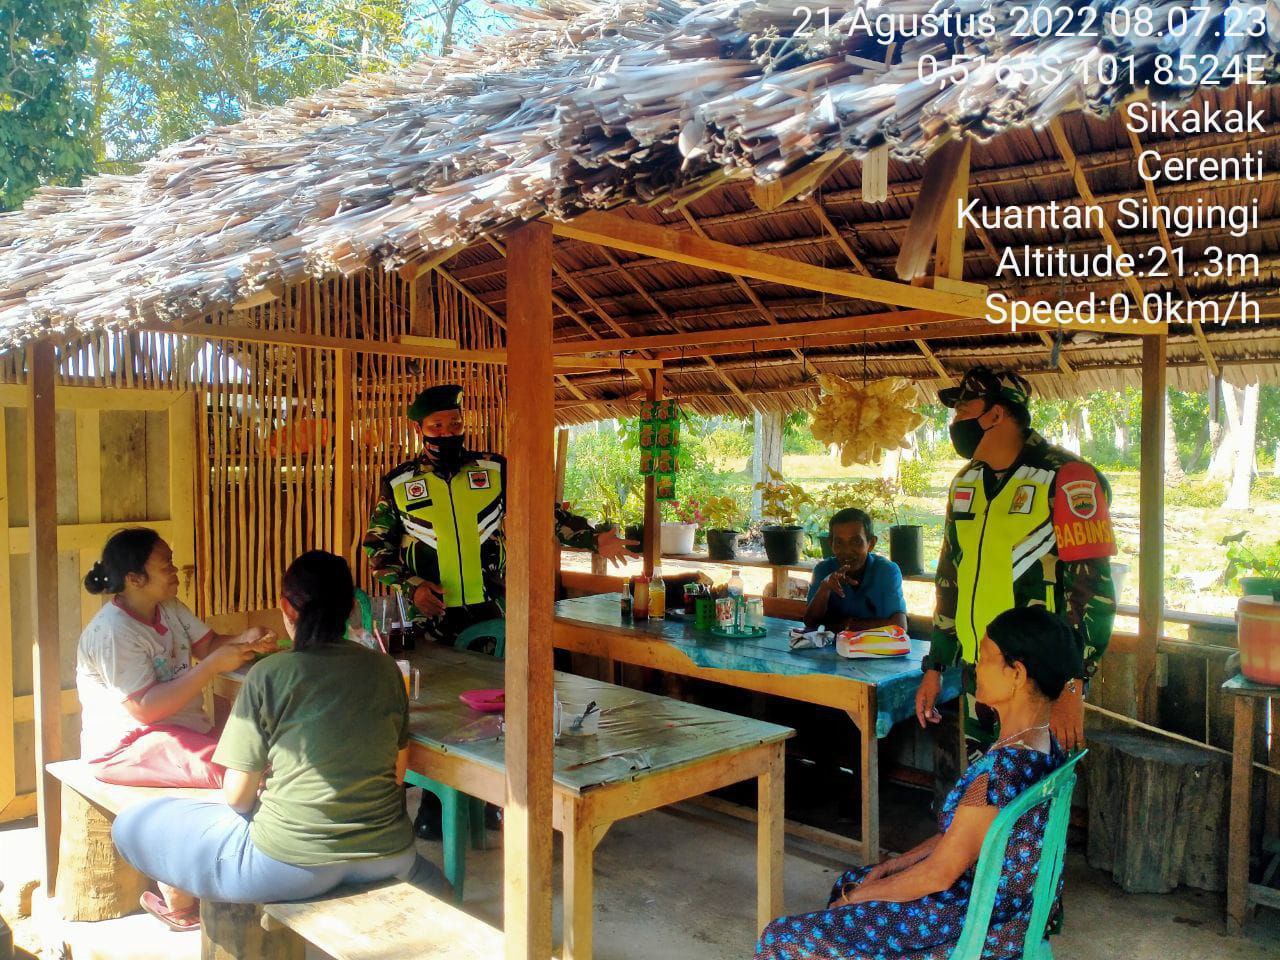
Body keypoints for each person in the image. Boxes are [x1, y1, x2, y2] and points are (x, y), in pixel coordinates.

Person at [113, 551, 443, 931]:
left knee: (132, 823)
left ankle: (180, 901)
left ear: (286, 607)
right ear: (352, 607)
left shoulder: (269, 674)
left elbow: (237, 797)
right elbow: (397, 776)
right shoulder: (385, 669)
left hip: (287, 867)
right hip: (390, 855)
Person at [757, 606, 1081, 960]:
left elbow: (938, 875)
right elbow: (960, 837)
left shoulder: (999, 773)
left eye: (986, 658)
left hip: (974, 925)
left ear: (1016, 674)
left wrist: (856, 899)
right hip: (1007, 914)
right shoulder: (1043, 745)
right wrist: (888, 868)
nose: (974, 666)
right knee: (856, 879)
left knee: (782, 936)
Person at [915, 367, 1116, 756]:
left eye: (963, 408)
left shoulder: (1067, 477)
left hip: (1038, 682)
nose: (955, 420)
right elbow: (949, 579)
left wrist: (1074, 684)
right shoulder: (966, 483)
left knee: (1028, 798)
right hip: (982, 676)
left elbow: (1094, 592)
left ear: (995, 414)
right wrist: (935, 666)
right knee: (983, 791)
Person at [363, 383, 635, 646]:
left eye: (455, 424)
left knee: (497, 689)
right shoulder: (399, 483)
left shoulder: (494, 470)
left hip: (492, 610)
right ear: (418, 428)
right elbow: (378, 550)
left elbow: (539, 514)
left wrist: (593, 539)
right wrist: (413, 588)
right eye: (437, 426)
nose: (447, 434)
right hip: (431, 614)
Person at [76, 528, 277, 766]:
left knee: (256, 759)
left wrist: (246, 638)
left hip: (183, 732)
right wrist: (211, 667)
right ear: (134, 579)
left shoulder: (168, 606)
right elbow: (145, 710)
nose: (175, 570)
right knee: (238, 769)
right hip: (128, 746)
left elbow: (208, 646)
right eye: (166, 566)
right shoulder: (112, 632)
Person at [804, 508, 907, 633]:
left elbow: (899, 627)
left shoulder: (886, 571)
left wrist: (845, 625)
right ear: (831, 543)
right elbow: (810, 623)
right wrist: (824, 588)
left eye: (856, 541)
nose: (847, 551)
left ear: (871, 543)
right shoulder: (823, 570)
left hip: (876, 649)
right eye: (839, 542)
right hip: (832, 649)